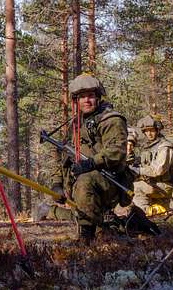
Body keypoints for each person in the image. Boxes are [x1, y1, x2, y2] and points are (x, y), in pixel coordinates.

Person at [48, 74, 133, 241]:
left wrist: (91, 163)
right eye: (82, 97)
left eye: (91, 96)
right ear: (76, 101)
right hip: (80, 184)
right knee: (82, 187)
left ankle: (87, 238)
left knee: (85, 180)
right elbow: (64, 157)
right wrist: (57, 184)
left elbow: (117, 151)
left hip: (110, 181)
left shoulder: (111, 120)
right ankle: (104, 223)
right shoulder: (75, 124)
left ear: (98, 97)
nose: (86, 100)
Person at [131, 115, 173, 216]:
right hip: (155, 185)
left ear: (157, 130)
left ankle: (143, 213)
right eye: (146, 131)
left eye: (151, 130)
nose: (149, 133)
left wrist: (138, 170)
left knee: (136, 187)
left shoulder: (165, 146)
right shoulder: (148, 147)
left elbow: (158, 169)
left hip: (165, 186)